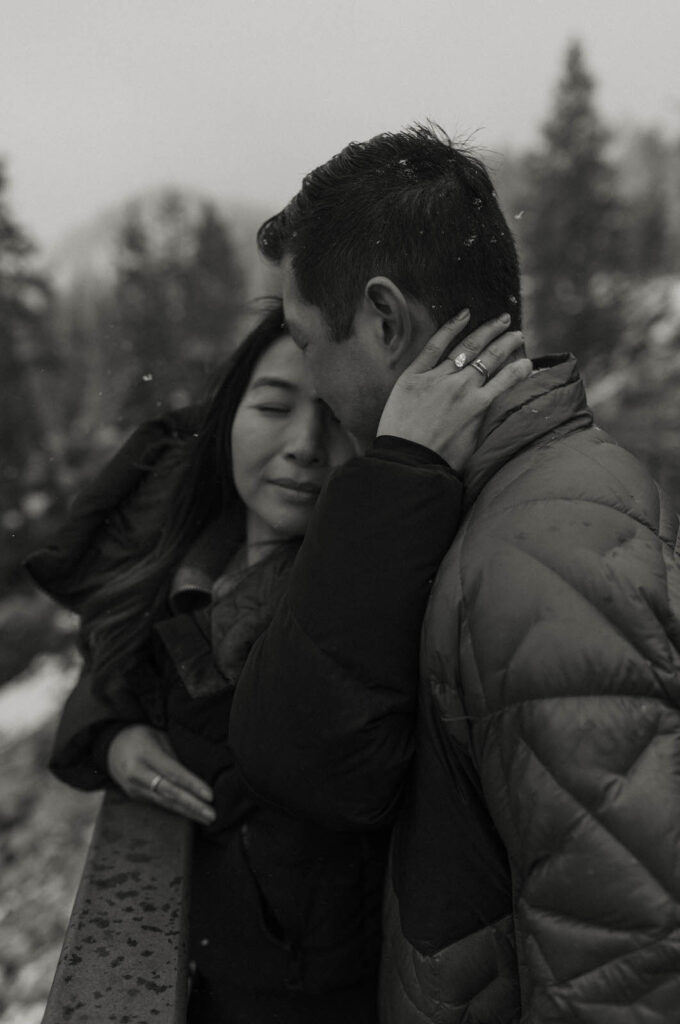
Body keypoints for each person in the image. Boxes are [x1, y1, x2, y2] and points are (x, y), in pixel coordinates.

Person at [228, 124, 680, 1022]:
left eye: (308, 341)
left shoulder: (542, 553)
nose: (310, 385)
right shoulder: (491, 503)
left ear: (386, 322)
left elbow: (628, 962)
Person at [27, 303, 528, 1023]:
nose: (302, 444)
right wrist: (110, 733)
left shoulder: (375, 587)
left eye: (333, 415)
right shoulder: (182, 549)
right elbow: (110, 640)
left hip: (316, 993)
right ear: (226, 414)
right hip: (213, 969)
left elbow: (312, 749)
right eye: (271, 405)